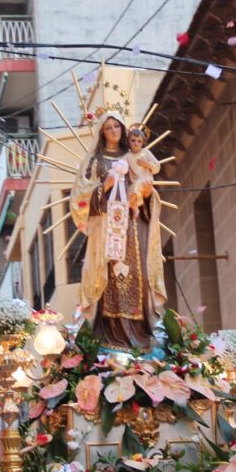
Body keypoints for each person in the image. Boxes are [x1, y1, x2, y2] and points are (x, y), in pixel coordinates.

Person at [70, 112, 166, 351]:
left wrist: (145, 192)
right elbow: (79, 197)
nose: (113, 131)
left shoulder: (133, 155)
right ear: (102, 132)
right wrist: (106, 186)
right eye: (108, 127)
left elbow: (147, 187)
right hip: (107, 227)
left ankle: (140, 333)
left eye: (117, 126)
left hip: (133, 226)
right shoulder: (94, 160)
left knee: (137, 273)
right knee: (111, 276)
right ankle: (110, 334)